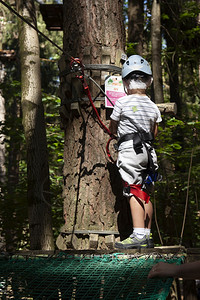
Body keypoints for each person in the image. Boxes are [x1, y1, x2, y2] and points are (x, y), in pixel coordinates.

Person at [109, 55, 162, 249]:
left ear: (125, 82)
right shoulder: (152, 106)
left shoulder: (121, 103)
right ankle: (146, 235)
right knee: (146, 191)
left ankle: (138, 234)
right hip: (148, 152)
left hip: (131, 150)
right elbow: (154, 132)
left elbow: (113, 127)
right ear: (149, 81)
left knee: (133, 190)